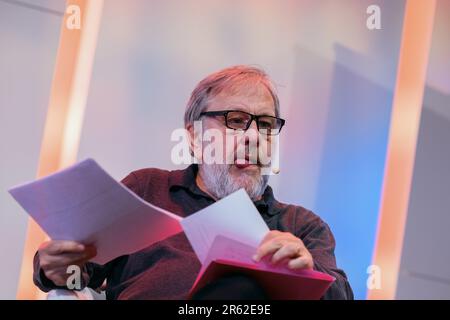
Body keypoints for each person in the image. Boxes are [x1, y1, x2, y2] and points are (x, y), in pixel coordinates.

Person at [33, 65, 353, 300]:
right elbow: (80, 274)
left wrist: (307, 270)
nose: (254, 137)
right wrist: (55, 268)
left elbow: (341, 295)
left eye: (266, 124)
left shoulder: (301, 226)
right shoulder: (147, 189)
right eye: (236, 121)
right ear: (194, 137)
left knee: (240, 290)